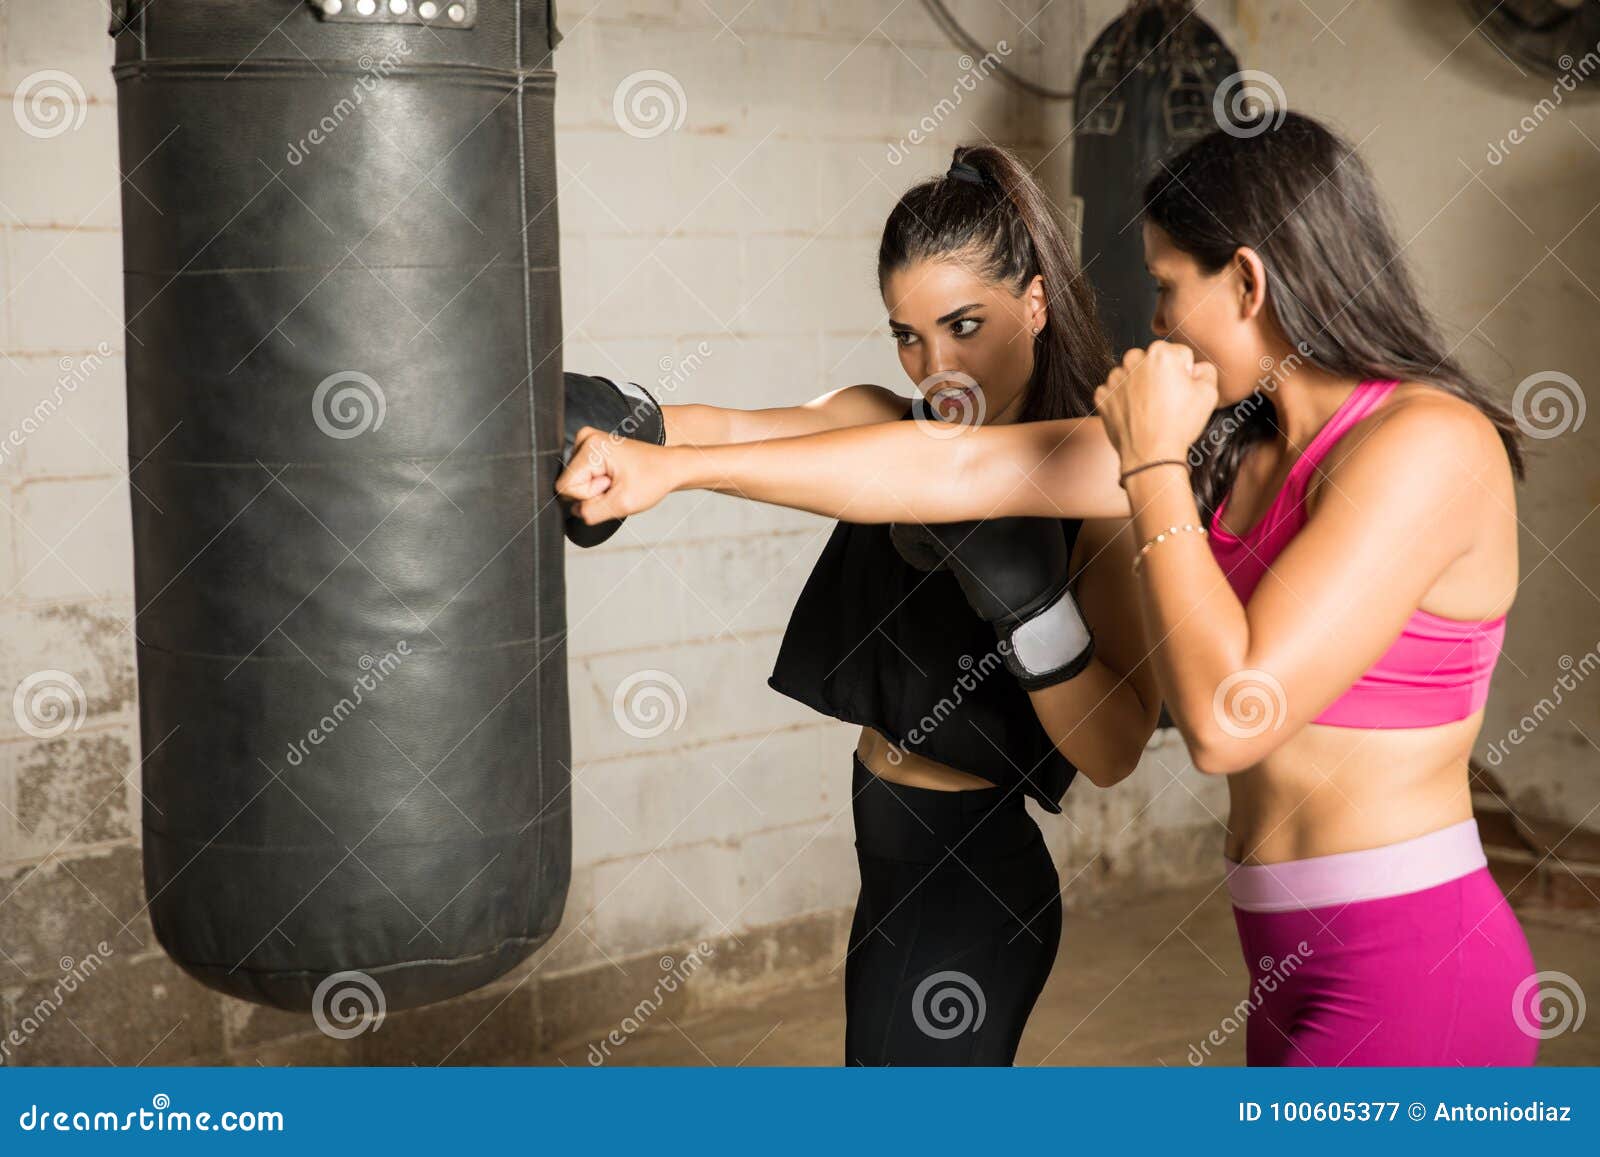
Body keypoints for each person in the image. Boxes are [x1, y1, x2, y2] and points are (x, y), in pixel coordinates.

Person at [558, 112, 1541, 1066]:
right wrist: (661, 454)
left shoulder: (1426, 444)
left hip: (1414, 962)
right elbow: (948, 469)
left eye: (1164, 289)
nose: (1152, 324)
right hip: (1283, 953)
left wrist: (1148, 464)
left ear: (1245, 281)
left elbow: (1230, 719)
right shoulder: (1234, 449)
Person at [564, 144, 1161, 1065]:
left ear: (1034, 303)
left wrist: (1036, 608)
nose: (937, 365)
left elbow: (1118, 747)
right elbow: (743, 430)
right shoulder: (890, 429)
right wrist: (621, 420)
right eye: (908, 334)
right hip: (888, 864)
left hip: (972, 880)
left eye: (964, 325)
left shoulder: (1094, 478)